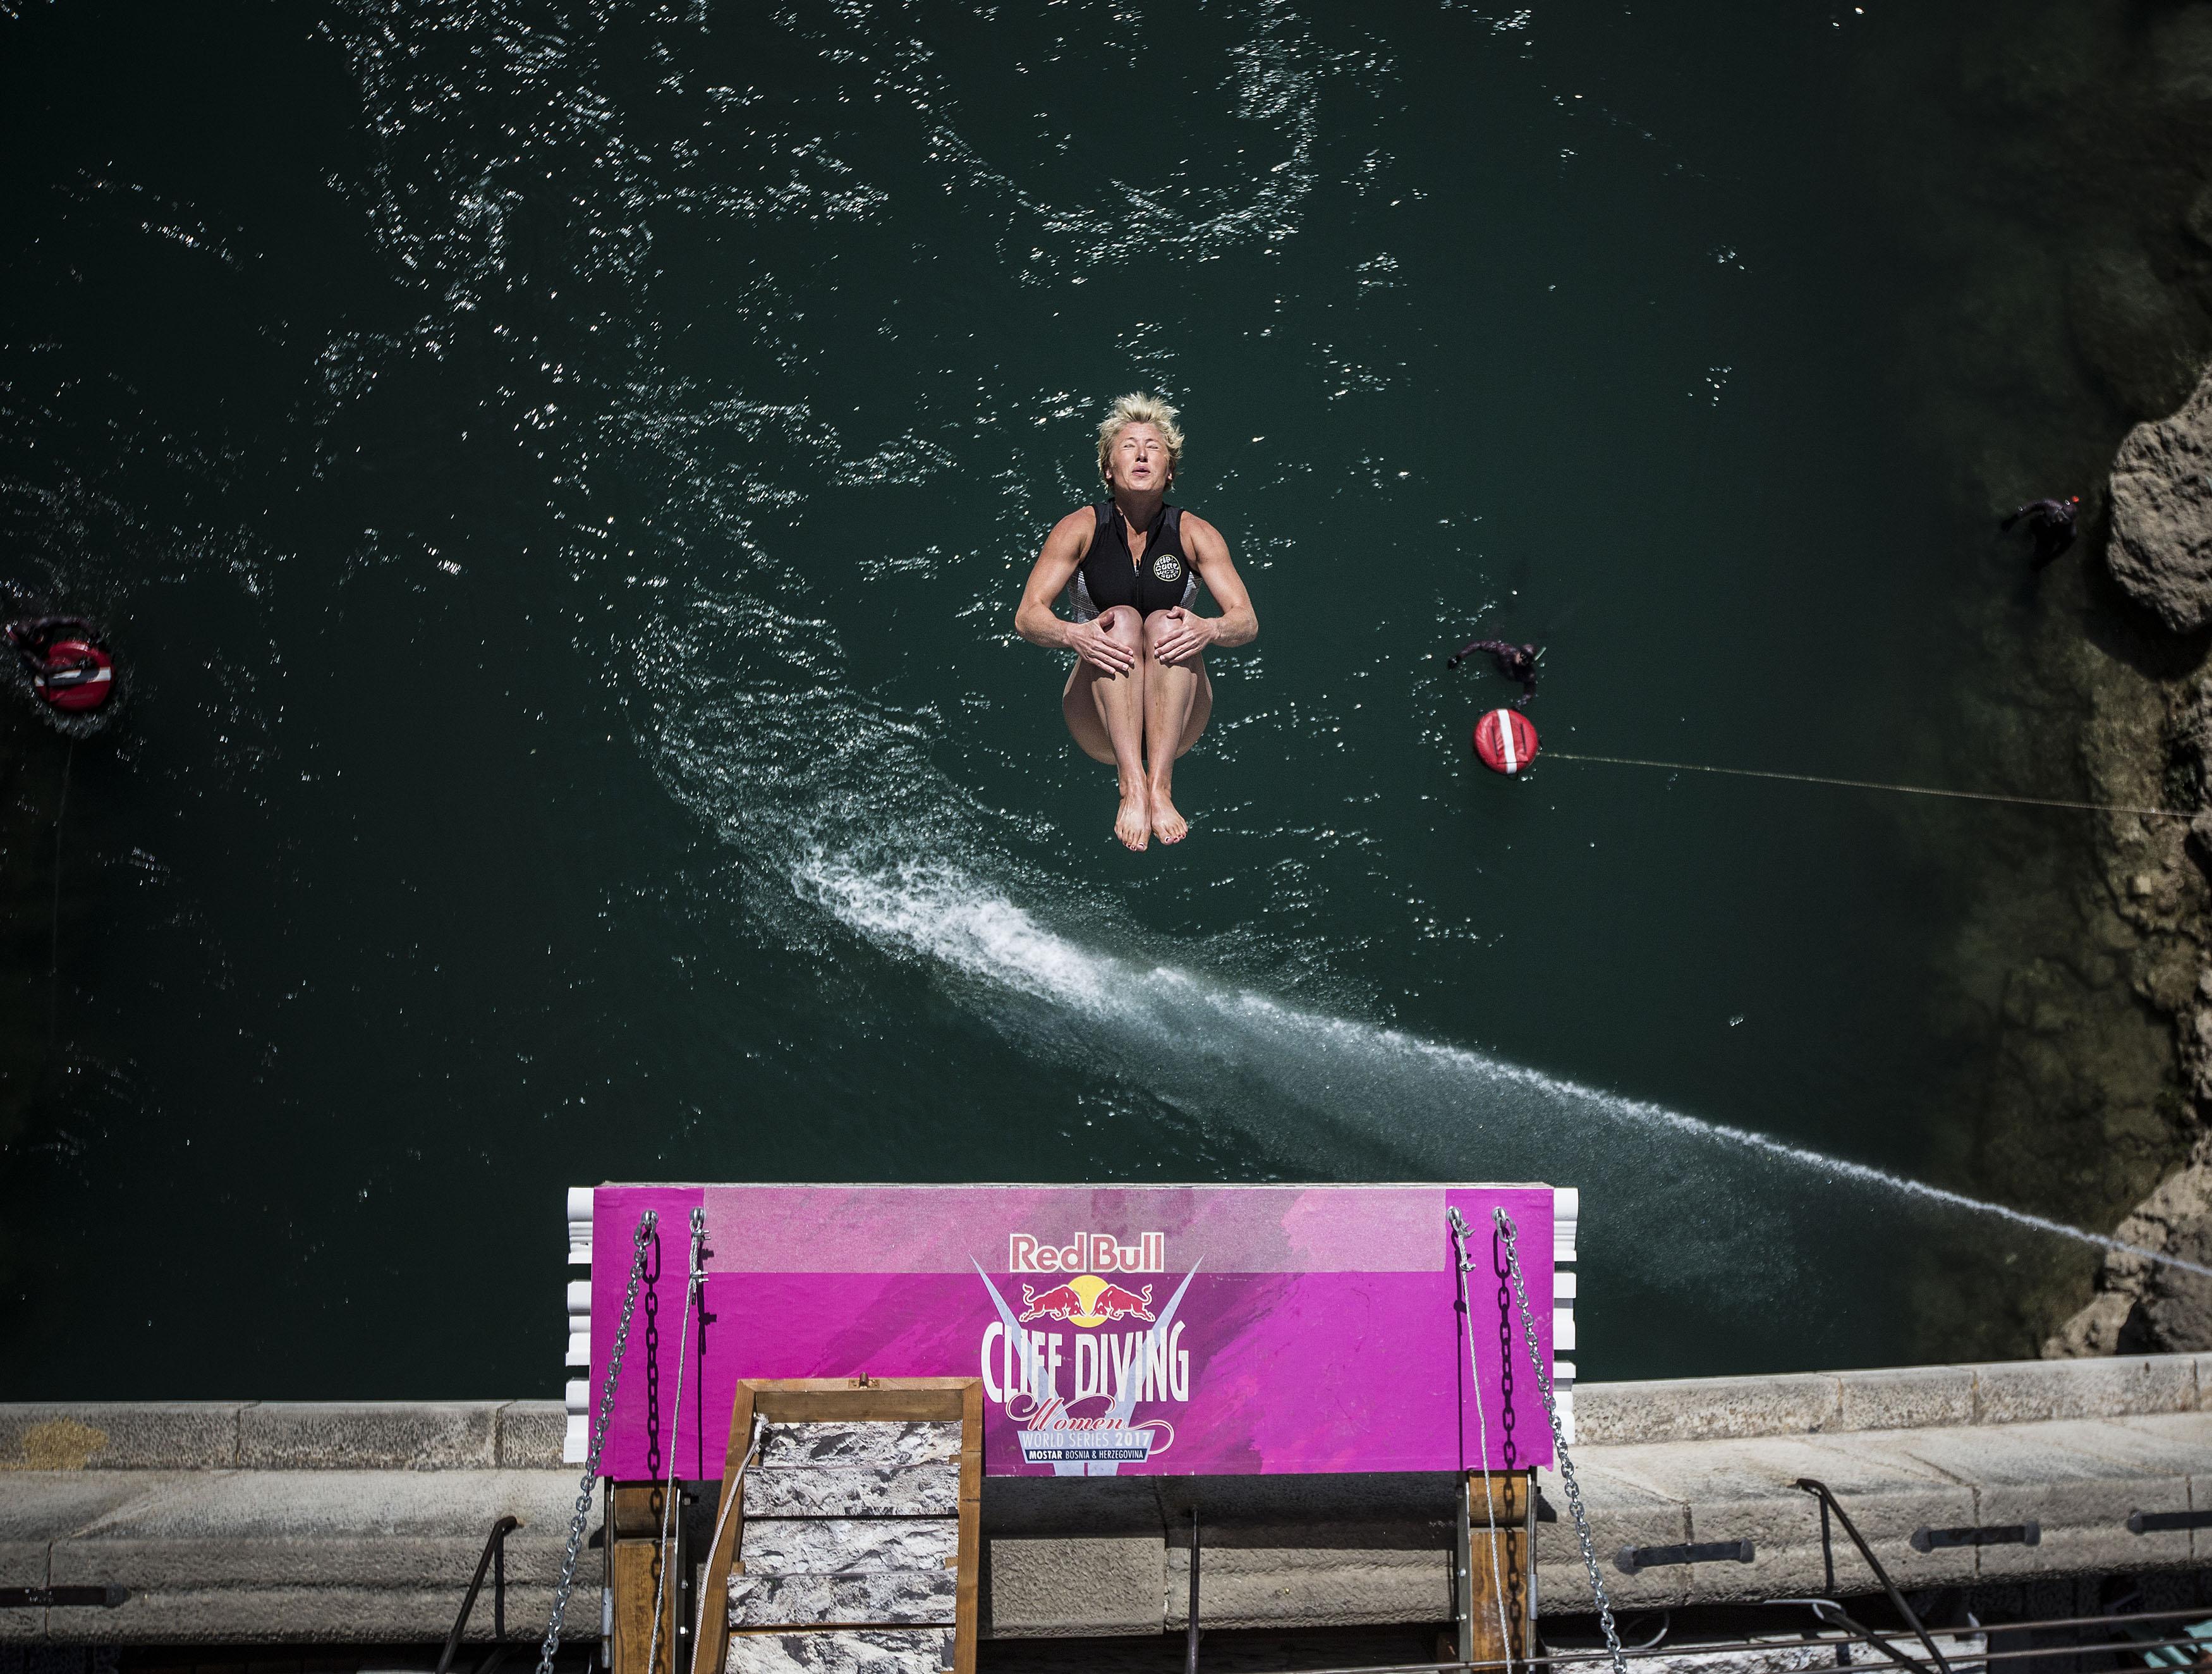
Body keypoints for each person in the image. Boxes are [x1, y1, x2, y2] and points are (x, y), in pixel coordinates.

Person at [1015, 394, 1258, 851]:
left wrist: (1211, 628)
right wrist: (1074, 634)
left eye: (1154, 446)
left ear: (1169, 471)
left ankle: (1160, 786)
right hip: (1100, 719)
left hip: (1178, 719)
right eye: (1129, 446)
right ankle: (1132, 783)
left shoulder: (1195, 533)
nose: (1142, 453)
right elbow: (1028, 616)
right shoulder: (1080, 527)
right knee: (1121, 620)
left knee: (1168, 623)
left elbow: (1246, 620)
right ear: (1108, 468)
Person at [1449, 638, 1538, 707]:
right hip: (1494, 665)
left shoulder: (1529, 675)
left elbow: (1529, 692)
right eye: (1522, 655)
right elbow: (1479, 645)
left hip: (1506, 680)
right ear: (1518, 652)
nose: (1521, 660)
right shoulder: (1504, 650)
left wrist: (1521, 703)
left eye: (1526, 660)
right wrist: (1459, 657)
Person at [2001, 496, 2079, 566]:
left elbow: (2060, 551)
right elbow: (2032, 506)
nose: (2060, 520)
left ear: (2071, 522)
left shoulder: (2071, 534)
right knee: (2024, 539)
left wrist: (2045, 562)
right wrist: (2014, 519)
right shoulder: (2051, 505)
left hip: (2047, 541)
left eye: (2065, 519)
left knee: (2037, 558)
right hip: (2038, 526)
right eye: (2060, 515)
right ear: (2059, 510)